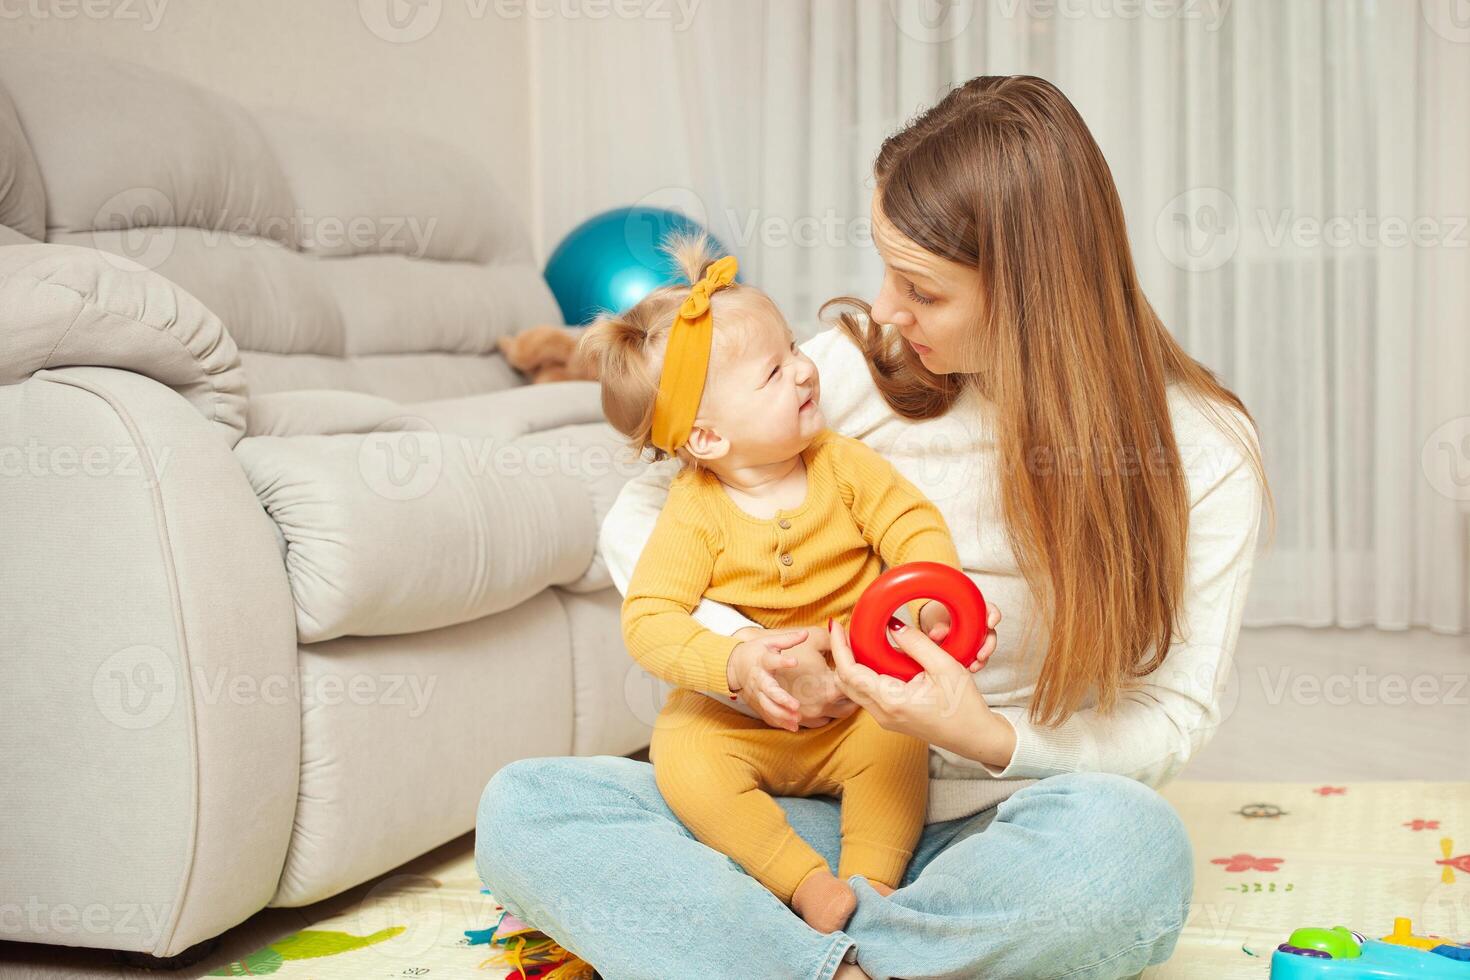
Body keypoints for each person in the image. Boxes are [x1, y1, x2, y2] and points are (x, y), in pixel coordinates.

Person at [476, 74, 1267, 979]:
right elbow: (647, 510)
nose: (885, 309)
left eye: (921, 290)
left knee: (1130, 852)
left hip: (1013, 829)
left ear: (1033, 290)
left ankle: (799, 959)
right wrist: (760, 656)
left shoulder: (1204, 449)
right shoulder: (857, 373)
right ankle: (876, 962)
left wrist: (983, 737)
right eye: (886, 270)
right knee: (526, 805)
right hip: (810, 815)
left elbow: (1168, 720)